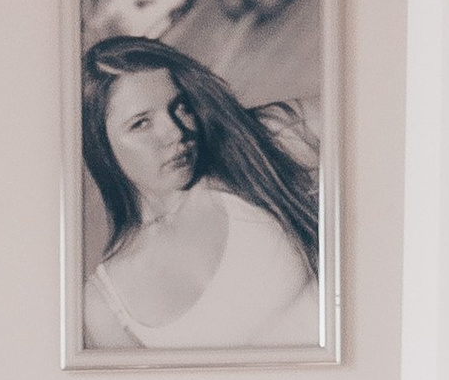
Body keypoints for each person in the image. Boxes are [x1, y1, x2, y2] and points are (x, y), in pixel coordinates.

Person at [78, 34, 322, 351]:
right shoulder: (107, 306)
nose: (176, 132)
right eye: (141, 124)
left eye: (179, 107)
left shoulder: (255, 152)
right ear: (100, 146)